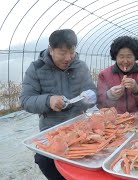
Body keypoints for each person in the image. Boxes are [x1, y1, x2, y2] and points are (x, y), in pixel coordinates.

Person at [20, 29, 97, 180]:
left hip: (80, 126)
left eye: (72, 51)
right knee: (44, 160)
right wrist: (48, 101)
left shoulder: (80, 66)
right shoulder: (36, 68)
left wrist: (90, 97)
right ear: (51, 50)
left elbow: (93, 93)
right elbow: (25, 100)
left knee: (90, 159)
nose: (68, 57)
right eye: (62, 53)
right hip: (51, 130)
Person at [97, 36, 138, 113]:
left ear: (135, 56)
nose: (125, 61)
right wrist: (109, 95)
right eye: (121, 57)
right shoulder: (104, 75)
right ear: (115, 57)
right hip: (115, 120)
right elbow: (99, 103)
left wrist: (137, 90)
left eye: (129, 56)